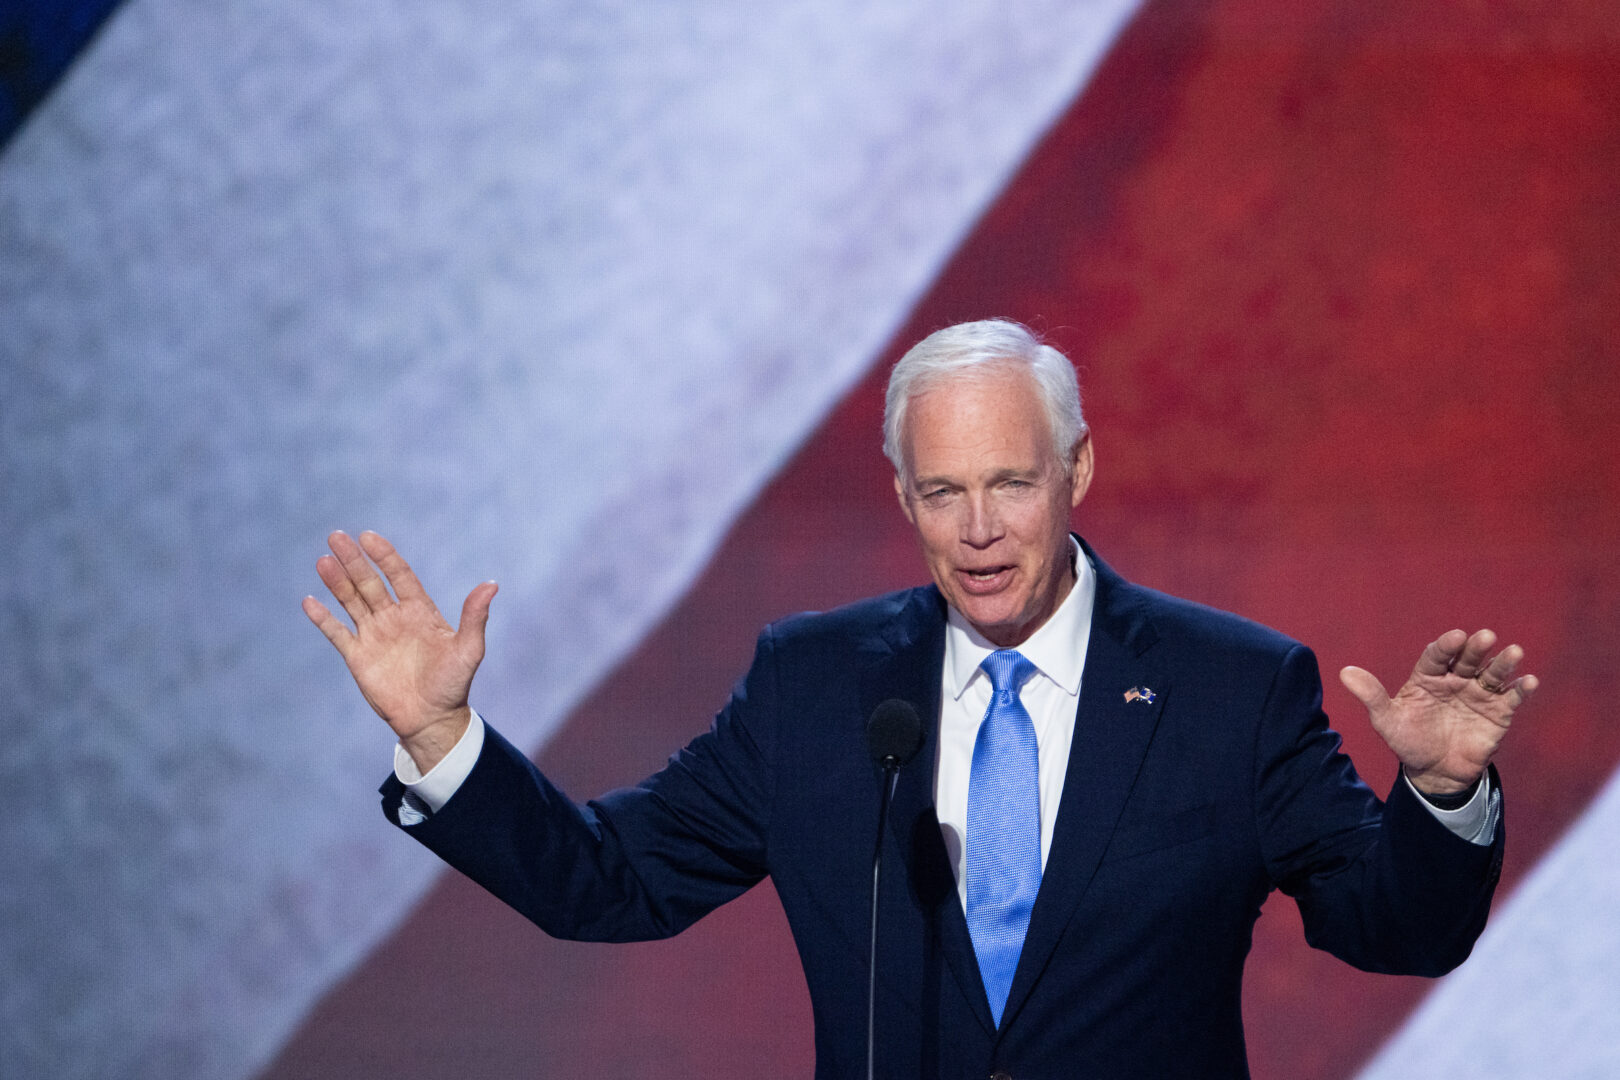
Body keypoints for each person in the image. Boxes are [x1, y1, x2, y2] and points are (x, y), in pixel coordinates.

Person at [304, 319, 1535, 1079]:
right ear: (901, 497)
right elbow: (610, 882)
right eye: (943, 491)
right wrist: (439, 737)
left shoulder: (1232, 686)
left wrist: (1438, 793)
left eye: (1012, 482)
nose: (982, 530)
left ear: (1079, 472)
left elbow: (1400, 931)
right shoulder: (814, 686)